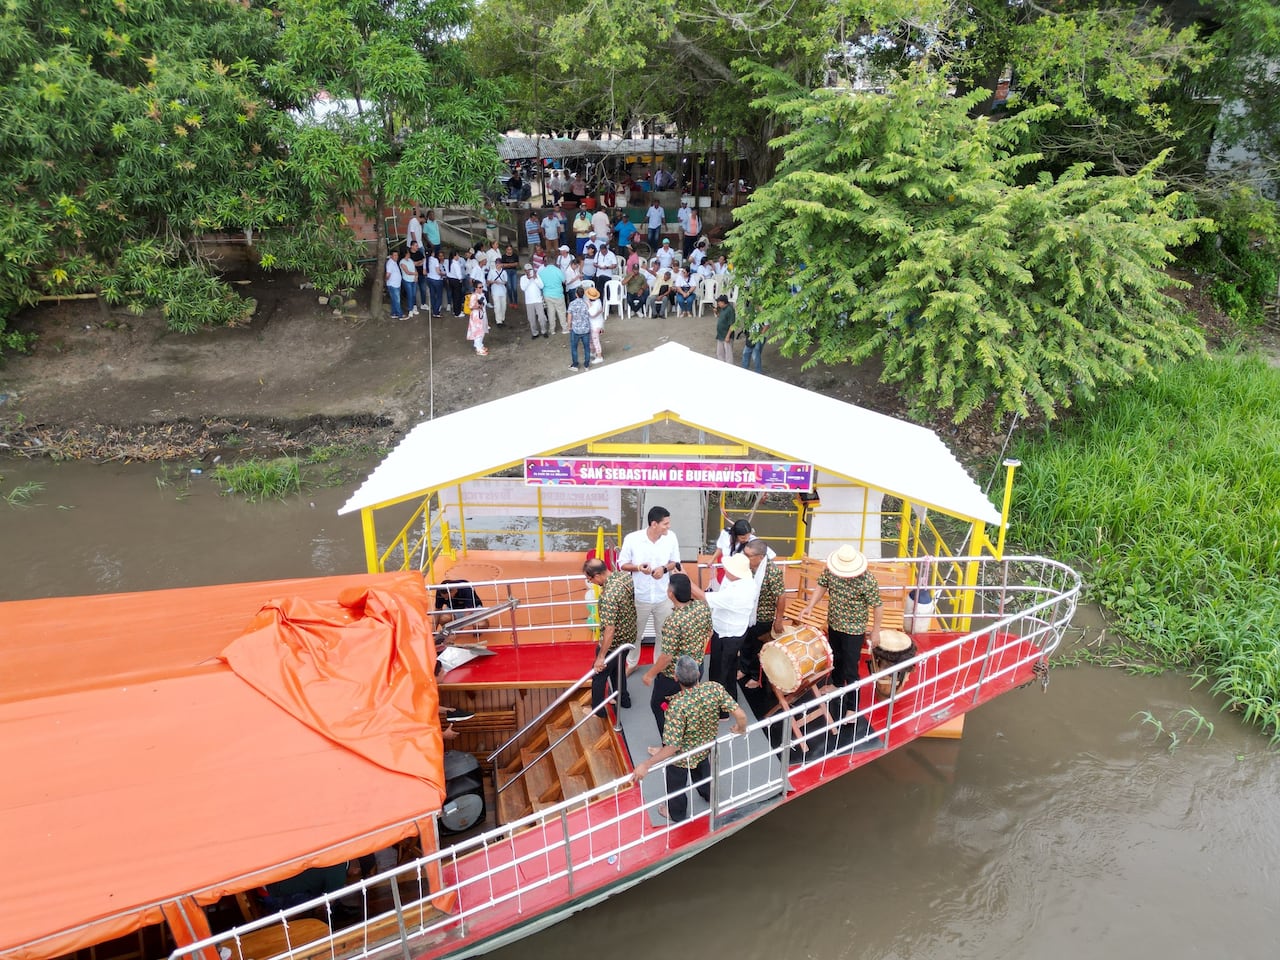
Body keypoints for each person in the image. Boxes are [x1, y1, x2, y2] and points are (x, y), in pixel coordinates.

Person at [631, 656, 746, 822]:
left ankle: (676, 813)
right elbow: (741, 715)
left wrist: (646, 765)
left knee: (676, 783)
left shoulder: (677, 706)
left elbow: (672, 747)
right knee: (703, 771)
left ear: (676, 678)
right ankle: (709, 795)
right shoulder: (714, 688)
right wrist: (740, 728)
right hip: (705, 747)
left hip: (682, 758)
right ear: (698, 673)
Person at [796, 545, 883, 719]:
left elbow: (877, 606)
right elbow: (822, 585)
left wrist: (876, 631)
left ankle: (853, 706)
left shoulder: (867, 580)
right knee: (836, 657)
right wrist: (810, 606)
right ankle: (836, 683)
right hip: (834, 623)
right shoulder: (831, 571)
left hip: (854, 629)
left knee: (851, 668)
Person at [641, 574, 712, 735]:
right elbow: (709, 632)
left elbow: (667, 656)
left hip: (674, 675)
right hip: (697, 667)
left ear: (670, 594)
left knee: (658, 704)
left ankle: (669, 744)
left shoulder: (673, 622)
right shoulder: (702, 607)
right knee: (687, 704)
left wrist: (650, 675)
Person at [618, 505, 682, 677]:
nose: (668, 527)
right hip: (640, 596)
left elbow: (675, 561)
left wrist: (663, 569)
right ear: (654, 524)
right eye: (665, 524)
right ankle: (632, 663)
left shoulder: (671, 537)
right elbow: (622, 564)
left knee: (664, 634)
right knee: (635, 635)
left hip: (663, 596)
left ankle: (658, 665)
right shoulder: (632, 539)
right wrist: (639, 567)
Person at [688, 552, 756, 697]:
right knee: (729, 667)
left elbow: (702, 597)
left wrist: (684, 578)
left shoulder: (737, 592)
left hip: (728, 634)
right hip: (731, 630)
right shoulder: (743, 581)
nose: (725, 569)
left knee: (720, 671)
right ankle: (731, 697)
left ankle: (720, 708)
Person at [584, 557, 637, 712]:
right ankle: (623, 699)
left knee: (599, 674)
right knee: (618, 669)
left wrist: (601, 657)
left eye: (590, 579)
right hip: (628, 636)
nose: (591, 582)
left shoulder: (608, 597)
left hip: (615, 642)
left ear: (598, 575)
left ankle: (597, 711)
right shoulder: (624, 577)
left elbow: (609, 629)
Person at [739, 539, 786, 701]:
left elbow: (781, 596)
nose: (745, 558)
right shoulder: (747, 568)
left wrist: (778, 620)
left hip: (763, 617)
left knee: (758, 647)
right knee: (745, 643)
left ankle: (755, 676)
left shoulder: (772, 572)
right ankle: (744, 668)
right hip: (746, 614)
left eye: (749, 555)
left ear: (760, 557)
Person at [519, 262, 548, 339]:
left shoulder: (537, 276)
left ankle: (544, 331)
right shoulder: (523, 278)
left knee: (541, 317)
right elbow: (523, 288)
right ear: (525, 271)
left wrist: (535, 279)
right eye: (527, 270)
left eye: (530, 269)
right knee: (531, 319)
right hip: (529, 301)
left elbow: (541, 286)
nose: (528, 271)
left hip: (538, 300)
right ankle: (535, 333)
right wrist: (528, 279)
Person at [539, 258, 567, 335]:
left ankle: (552, 330)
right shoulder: (558, 270)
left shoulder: (542, 272)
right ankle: (564, 328)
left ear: (546, 263)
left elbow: (540, 284)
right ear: (554, 263)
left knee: (550, 312)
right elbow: (564, 281)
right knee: (561, 312)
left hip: (547, 294)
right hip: (558, 294)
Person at [567, 289, 592, 371]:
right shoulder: (587, 303)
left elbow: (570, 316)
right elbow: (590, 313)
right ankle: (586, 365)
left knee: (574, 348)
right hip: (585, 329)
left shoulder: (572, 303)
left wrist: (569, 326)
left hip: (575, 329)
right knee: (587, 347)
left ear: (576, 294)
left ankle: (575, 365)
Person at [466, 279, 489, 356]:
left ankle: (480, 345)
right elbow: (471, 307)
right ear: (475, 288)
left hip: (482, 314)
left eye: (482, 287)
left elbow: (484, 303)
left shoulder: (482, 295)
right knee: (478, 332)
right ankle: (478, 347)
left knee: (482, 330)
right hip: (476, 315)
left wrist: (481, 305)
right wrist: (478, 306)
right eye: (480, 287)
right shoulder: (474, 296)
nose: (481, 288)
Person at [399, 242, 421, 316]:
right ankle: (410, 309)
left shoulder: (410, 260)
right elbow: (407, 272)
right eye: (408, 253)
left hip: (413, 280)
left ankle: (413, 308)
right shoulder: (402, 262)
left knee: (413, 294)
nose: (409, 254)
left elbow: (415, 269)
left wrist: (416, 276)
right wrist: (415, 274)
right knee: (410, 295)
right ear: (405, 254)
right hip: (407, 281)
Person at [487, 254, 508, 327]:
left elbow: (506, 281)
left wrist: (502, 282)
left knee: (503, 306)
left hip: (503, 290)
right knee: (497, 306)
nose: (498, 265)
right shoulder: (492, 271)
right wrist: (494, 282)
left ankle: (502, 318)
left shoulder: (504, 272)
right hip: (495, 290)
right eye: (497, 264)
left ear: (501, 264)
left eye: (499, 264)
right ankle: (498, 321)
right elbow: (488, 281)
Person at [586, 286, 605, 364]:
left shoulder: (595, 304)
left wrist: (589, 305)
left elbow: (592, 313)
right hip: (596, 324)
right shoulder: (598, 301)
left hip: (595, 325)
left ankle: (599, 356)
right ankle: (593, 352)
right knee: (591, 340)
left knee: (595, 341)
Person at [714, 294, 735, 362]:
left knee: (728, 355)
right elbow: (722, 317)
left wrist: (728, 336)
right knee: (719, 353)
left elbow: (732, 325)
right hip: (720, 335)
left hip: (726, 335)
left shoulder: (730, 310)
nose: (718, 303)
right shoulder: (723, 309)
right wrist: (716, 312)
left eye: (719, 302)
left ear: (723, 302)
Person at [384, 248, 404, 320]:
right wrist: (386, 281)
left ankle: (394, 313)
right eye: (395, 255)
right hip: (393, 285)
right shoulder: (390, 263)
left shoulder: (394, 262)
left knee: (394, 300)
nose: (396, 257)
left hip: (396, 284)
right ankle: (400, 315)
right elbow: (388, 274)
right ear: (391, 256)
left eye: (397, 255)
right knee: (397, 300)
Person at [426, 248, 446, 317]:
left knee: (432, 295)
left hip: (429, 279)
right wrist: (444, 274)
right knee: (439, 296)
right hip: (437, 280)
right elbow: (438, 272)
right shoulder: (435, 260)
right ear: (432, 253)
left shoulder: (426, 260)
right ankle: (436, 312)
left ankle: (434, 310)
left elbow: (424, 272)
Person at [446, 250, 465, 316]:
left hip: (451, 280)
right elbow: (458, 273)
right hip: (456, 281)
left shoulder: (450, 262)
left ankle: (455, 310)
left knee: (454, 296)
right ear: (454, 256)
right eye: (457, 255)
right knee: (457, 296)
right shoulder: (455, 263)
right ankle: (457, 313)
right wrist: (460, 279)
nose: (458, 256)